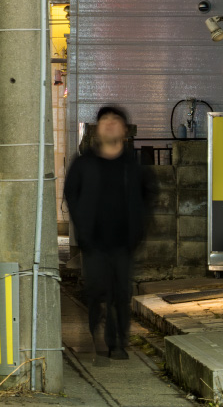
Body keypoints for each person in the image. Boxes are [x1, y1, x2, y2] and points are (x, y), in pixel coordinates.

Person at [65, 104, 157, 362]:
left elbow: (149, 193)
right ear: (97, 129)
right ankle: (98, 335)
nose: (109, 123)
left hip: (123, 242)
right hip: (93, 241)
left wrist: (139, 227)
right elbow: (71, 194)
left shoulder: (133, 165)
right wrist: (82, 226)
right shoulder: (84, 163)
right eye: (104, 119)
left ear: (124, 130)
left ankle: (117, 343)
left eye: (115, 120)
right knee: (96, 292)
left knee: (120, 293)